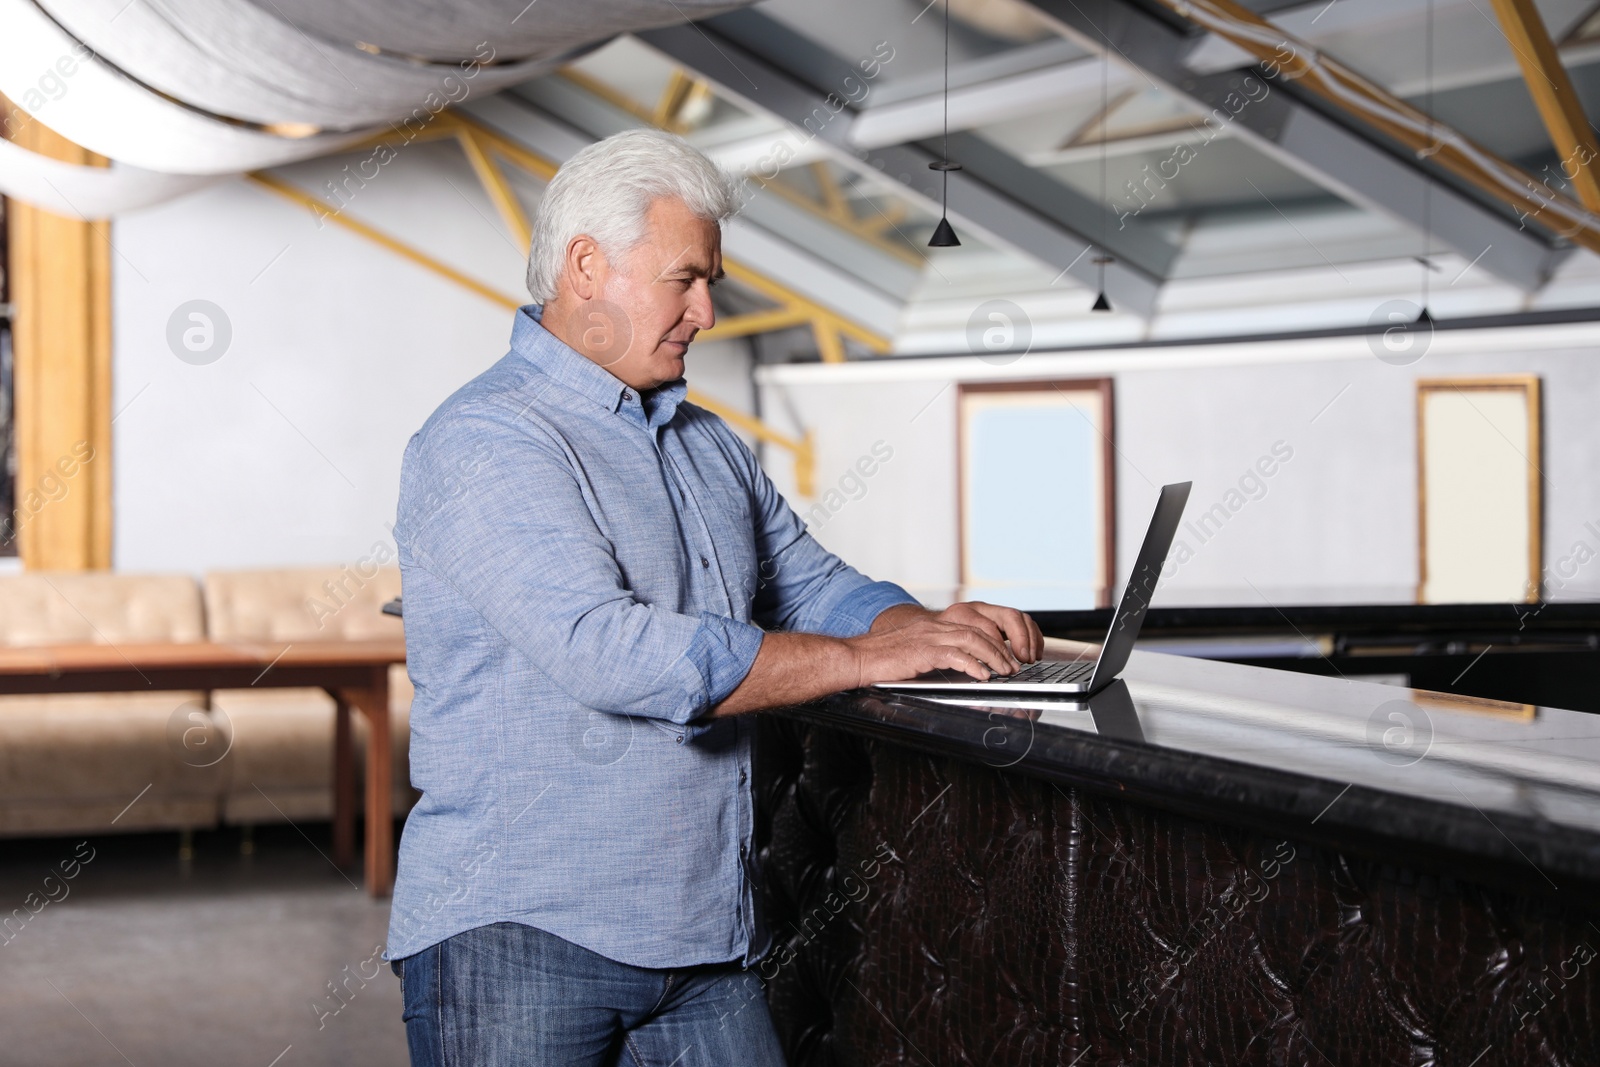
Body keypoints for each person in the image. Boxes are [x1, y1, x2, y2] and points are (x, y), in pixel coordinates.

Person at [384, 127, 1043, 1066]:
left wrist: (923, 626)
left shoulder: (710, 445)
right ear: (586, 265)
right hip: (517, 937)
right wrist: (866, 659)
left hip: (703, 942)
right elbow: (612, 652)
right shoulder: (485, 441)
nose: (705, 309)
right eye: (685, 279)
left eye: (711, 284)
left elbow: (813, 581)